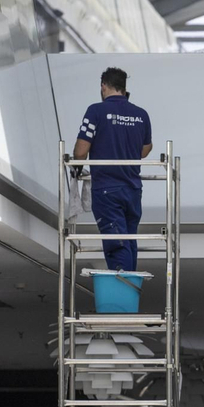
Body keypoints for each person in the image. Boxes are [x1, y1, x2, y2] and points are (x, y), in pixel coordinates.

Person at [72, 67, 152, 276]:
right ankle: (130, 296)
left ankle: (121, 300)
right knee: (129, 241)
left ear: (103, 86)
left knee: (116, 244)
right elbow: (145, 149)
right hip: (133, 190)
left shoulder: (96, 111)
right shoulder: (141, 115)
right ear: (124, 88)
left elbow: (81, 151)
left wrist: (76, 169)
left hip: (107, 188)